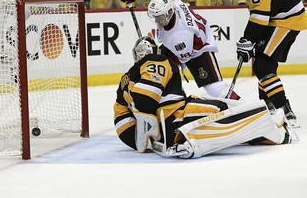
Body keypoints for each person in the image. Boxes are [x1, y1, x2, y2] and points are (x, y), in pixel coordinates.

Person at [114, 36, 294, 158]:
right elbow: (147, 99)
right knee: (221, 110)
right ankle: (272, 132)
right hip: (175, 116)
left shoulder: (124, 80)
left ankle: (186, 136)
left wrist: (151, 138)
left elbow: (123, 127)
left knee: (220, 105)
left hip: (166, 129)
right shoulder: (157, 60)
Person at [120, 0, 242, 101]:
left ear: (169, 13)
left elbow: (179, 60)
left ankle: (241, 106)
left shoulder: (179, 36)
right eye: (155, 16)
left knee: (214, 87)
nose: (156, 20)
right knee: (161, 73)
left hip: (198, 49)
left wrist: (155, 59)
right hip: (188, 40)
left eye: (159, 17)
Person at [231, 0, 307, 128]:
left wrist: (247, 39)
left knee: (263, 65)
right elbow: (262, 14)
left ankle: (285, 110)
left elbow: (260, 16)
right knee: (264, 61)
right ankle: (268, 104)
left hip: (286, 20)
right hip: (282, 17)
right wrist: (250, 41)